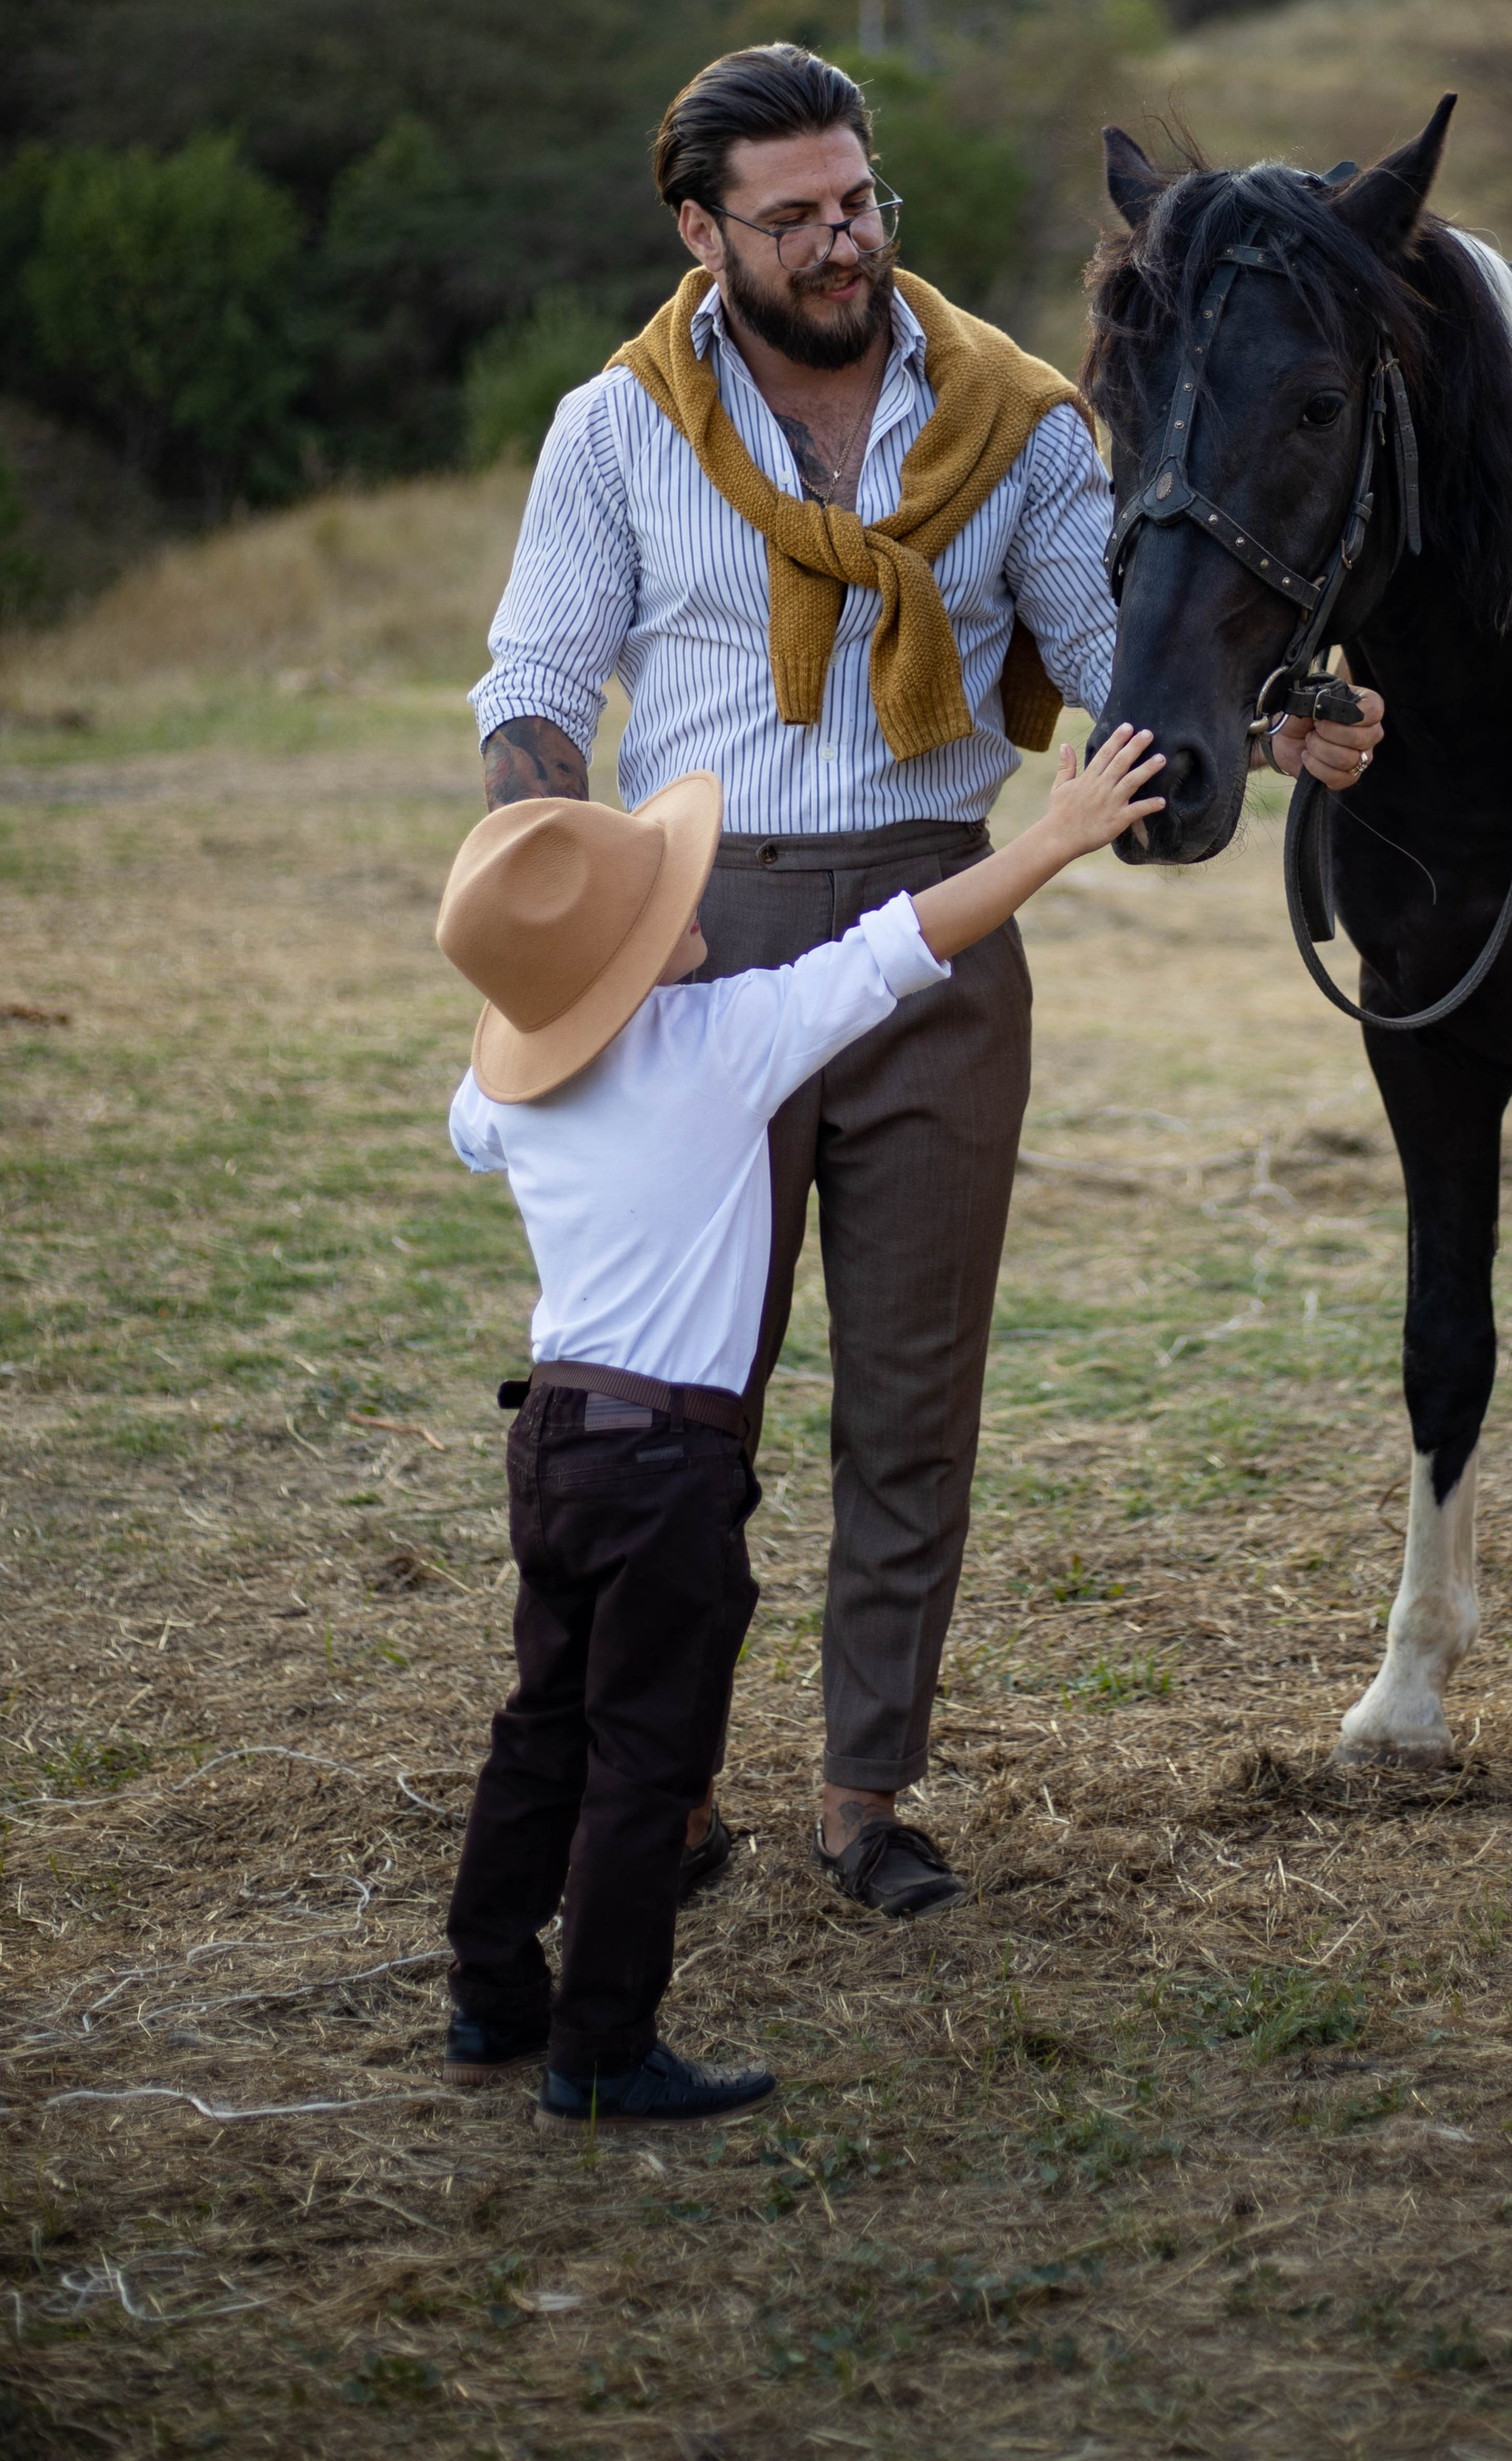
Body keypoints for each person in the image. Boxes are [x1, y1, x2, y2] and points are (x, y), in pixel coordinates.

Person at [471, 41, 1383, 1917]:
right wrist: (562, 900)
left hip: (937, 938)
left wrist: (1277, 733)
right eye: (792, 216)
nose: (839, 243)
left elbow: (1102, 653)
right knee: (666, 1404)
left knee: (910, 1396)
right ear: (699, 227)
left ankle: (862, 1790)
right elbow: (535, 698)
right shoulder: (616, 426)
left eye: (857, 202)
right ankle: (665, 1781)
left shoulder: (1021, 423)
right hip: (687, 941)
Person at [437, 724, 1166, 2124]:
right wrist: (1059, 834)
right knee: (649, 1756)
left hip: (554, 1448)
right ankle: (600, 2050)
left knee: (544, 1727)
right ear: (634, 967)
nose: (697, 906)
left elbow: (478, 1112)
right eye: (664, 906)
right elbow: (906, 940)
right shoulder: (721, 1044)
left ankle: (487, 1997)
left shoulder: (508, 1100)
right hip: (667, 1471)